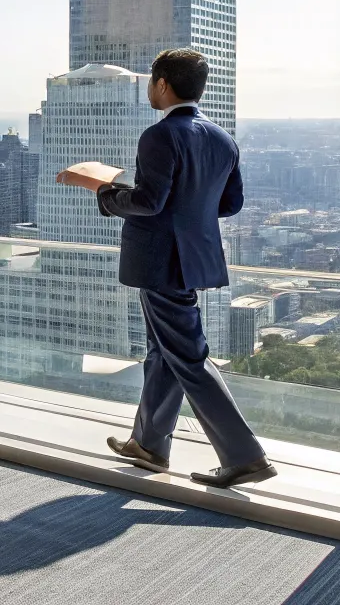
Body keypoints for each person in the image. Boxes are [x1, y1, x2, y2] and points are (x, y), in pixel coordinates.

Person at [55, 48, 275, 489]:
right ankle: (149, 445)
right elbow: (229, 205)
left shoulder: (159, 135)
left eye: (152, 81)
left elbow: (148, 203)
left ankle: (246, 455)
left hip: (160, 262)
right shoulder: (222, 138)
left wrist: (104, 189)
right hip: (194, 259)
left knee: (189, 358)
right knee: (164, 352)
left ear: (162, 84)